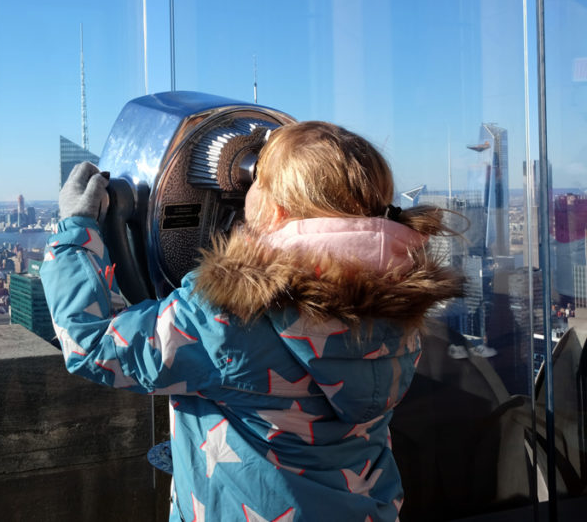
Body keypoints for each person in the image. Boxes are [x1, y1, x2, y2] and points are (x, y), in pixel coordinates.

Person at [41, 121, 464, 522]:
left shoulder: (229, 318)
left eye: (256, 182)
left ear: (276, 209)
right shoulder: (397, 305)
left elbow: (93, 343)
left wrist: (75, 229)